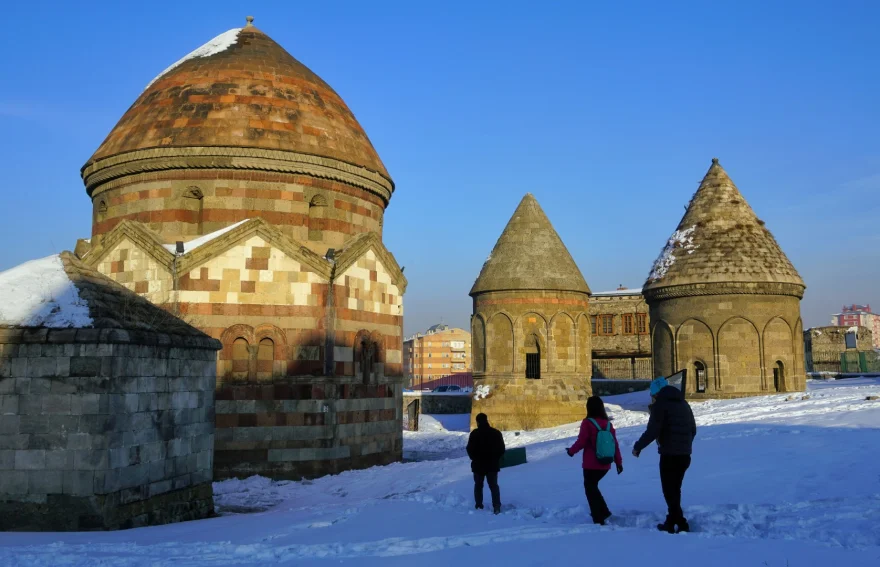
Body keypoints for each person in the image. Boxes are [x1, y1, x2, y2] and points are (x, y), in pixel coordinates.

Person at [632, 377, 697, 534]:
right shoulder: (684, 404)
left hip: (669, 455)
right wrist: (685, 445)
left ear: (656, 392)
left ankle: (681, 523)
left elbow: (653, 431)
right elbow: (693, 429)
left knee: (669, 490)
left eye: (652, 394)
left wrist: (638, 447)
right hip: (685, 455)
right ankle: (671, 521)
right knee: (674, 490)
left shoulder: (660, 405)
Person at [566, 396, 623, 525]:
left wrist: (571, 451)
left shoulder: (587, 423)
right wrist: (618, 463)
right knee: (593, 487)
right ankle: (604, 512)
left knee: (590, 488)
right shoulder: (608, 424)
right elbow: (615, 445)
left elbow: (581, 441)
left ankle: (598, 517)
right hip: (606, 463)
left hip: (591, 464)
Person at [466, 412, 506, 514]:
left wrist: (474, 458)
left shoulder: (474, 434)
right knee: (493, 486)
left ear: (477, 422)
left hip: (478, 465)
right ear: (486, 420)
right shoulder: (496, 433)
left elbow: (469, 449)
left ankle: (479, 505)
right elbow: (502, 449)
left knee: (478, 486)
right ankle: (496, 506)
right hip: (492, 465)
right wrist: (495, 458)